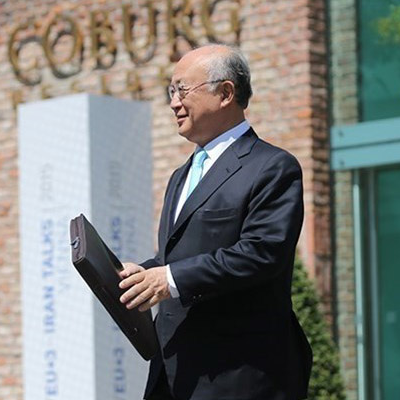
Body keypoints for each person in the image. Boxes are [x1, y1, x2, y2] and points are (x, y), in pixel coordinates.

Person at [118, 44, 313, 400]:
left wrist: (167, 278)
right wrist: (143, 274)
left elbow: (261, 253)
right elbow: (177, 258)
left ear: (225, 93)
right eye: (170, 91)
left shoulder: (272, 167)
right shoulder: (181, 176)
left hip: (238, 376)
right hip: (174, 374)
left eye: (182, 90)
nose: (173, 103)